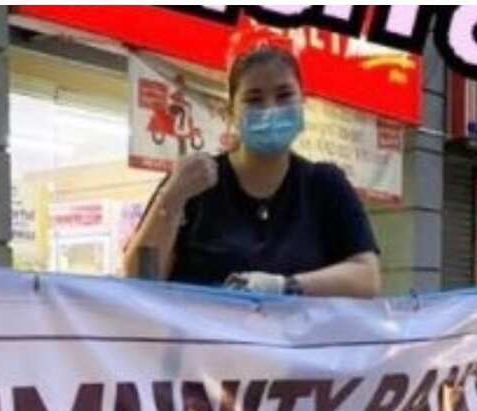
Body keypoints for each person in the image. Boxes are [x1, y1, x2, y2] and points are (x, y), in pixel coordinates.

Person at [122, 46, 381, 298]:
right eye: (254, 99)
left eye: (284, 95)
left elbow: (367, 278)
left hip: (294, 341)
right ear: (231, 112)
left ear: (302, 103)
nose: (270, 109)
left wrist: (285, 286)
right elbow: (139, 280)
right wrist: (171, 198)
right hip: (204, 341)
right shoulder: (193, 182)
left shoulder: (325, 185)